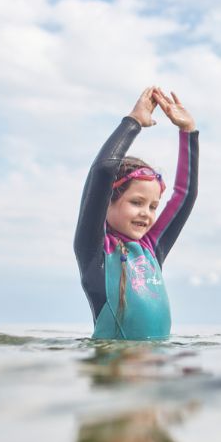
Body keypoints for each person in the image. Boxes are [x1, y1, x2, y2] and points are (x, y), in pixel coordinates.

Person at [74, 87, 199, 340]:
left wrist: (188, 132)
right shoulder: (94, 251)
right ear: (107, 201)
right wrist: (133, 122)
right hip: (114, 373)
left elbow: (185, 194)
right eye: (137, 202)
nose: (146, 214)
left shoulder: (153, 249)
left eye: (153, 206)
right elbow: (103, 171)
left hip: (155, 372)